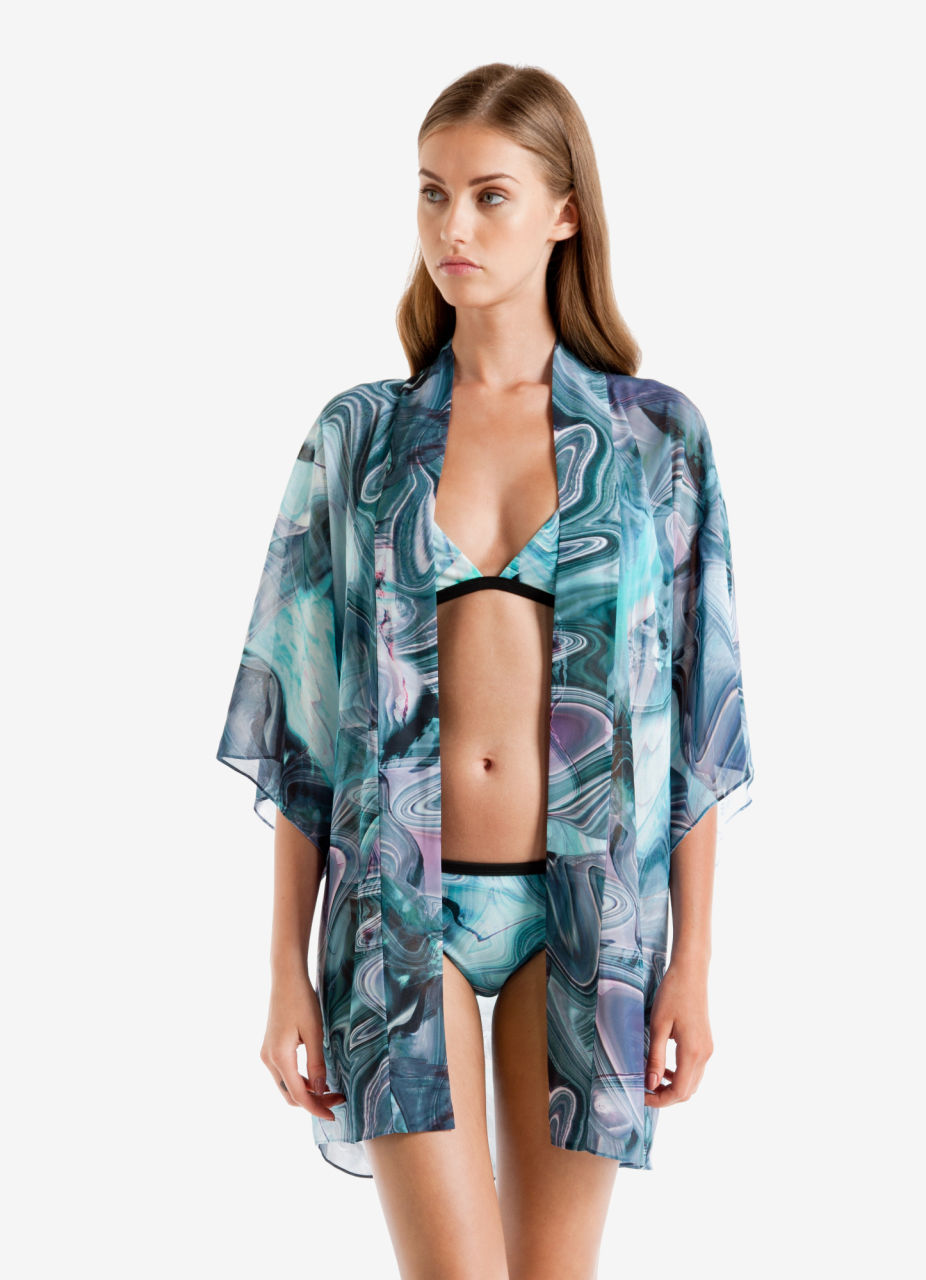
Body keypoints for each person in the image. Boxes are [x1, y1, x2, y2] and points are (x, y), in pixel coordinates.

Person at [215, 62, 754, 1280]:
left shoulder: (655, 437)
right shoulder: (359, 436)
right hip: (400, 912)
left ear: (564, 211)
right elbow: (302, 727)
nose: (452, 226)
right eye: (431, 193)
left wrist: (693, 963)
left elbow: (700, 720)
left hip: (593, 918)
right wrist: (283, 971)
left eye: (489, 196)